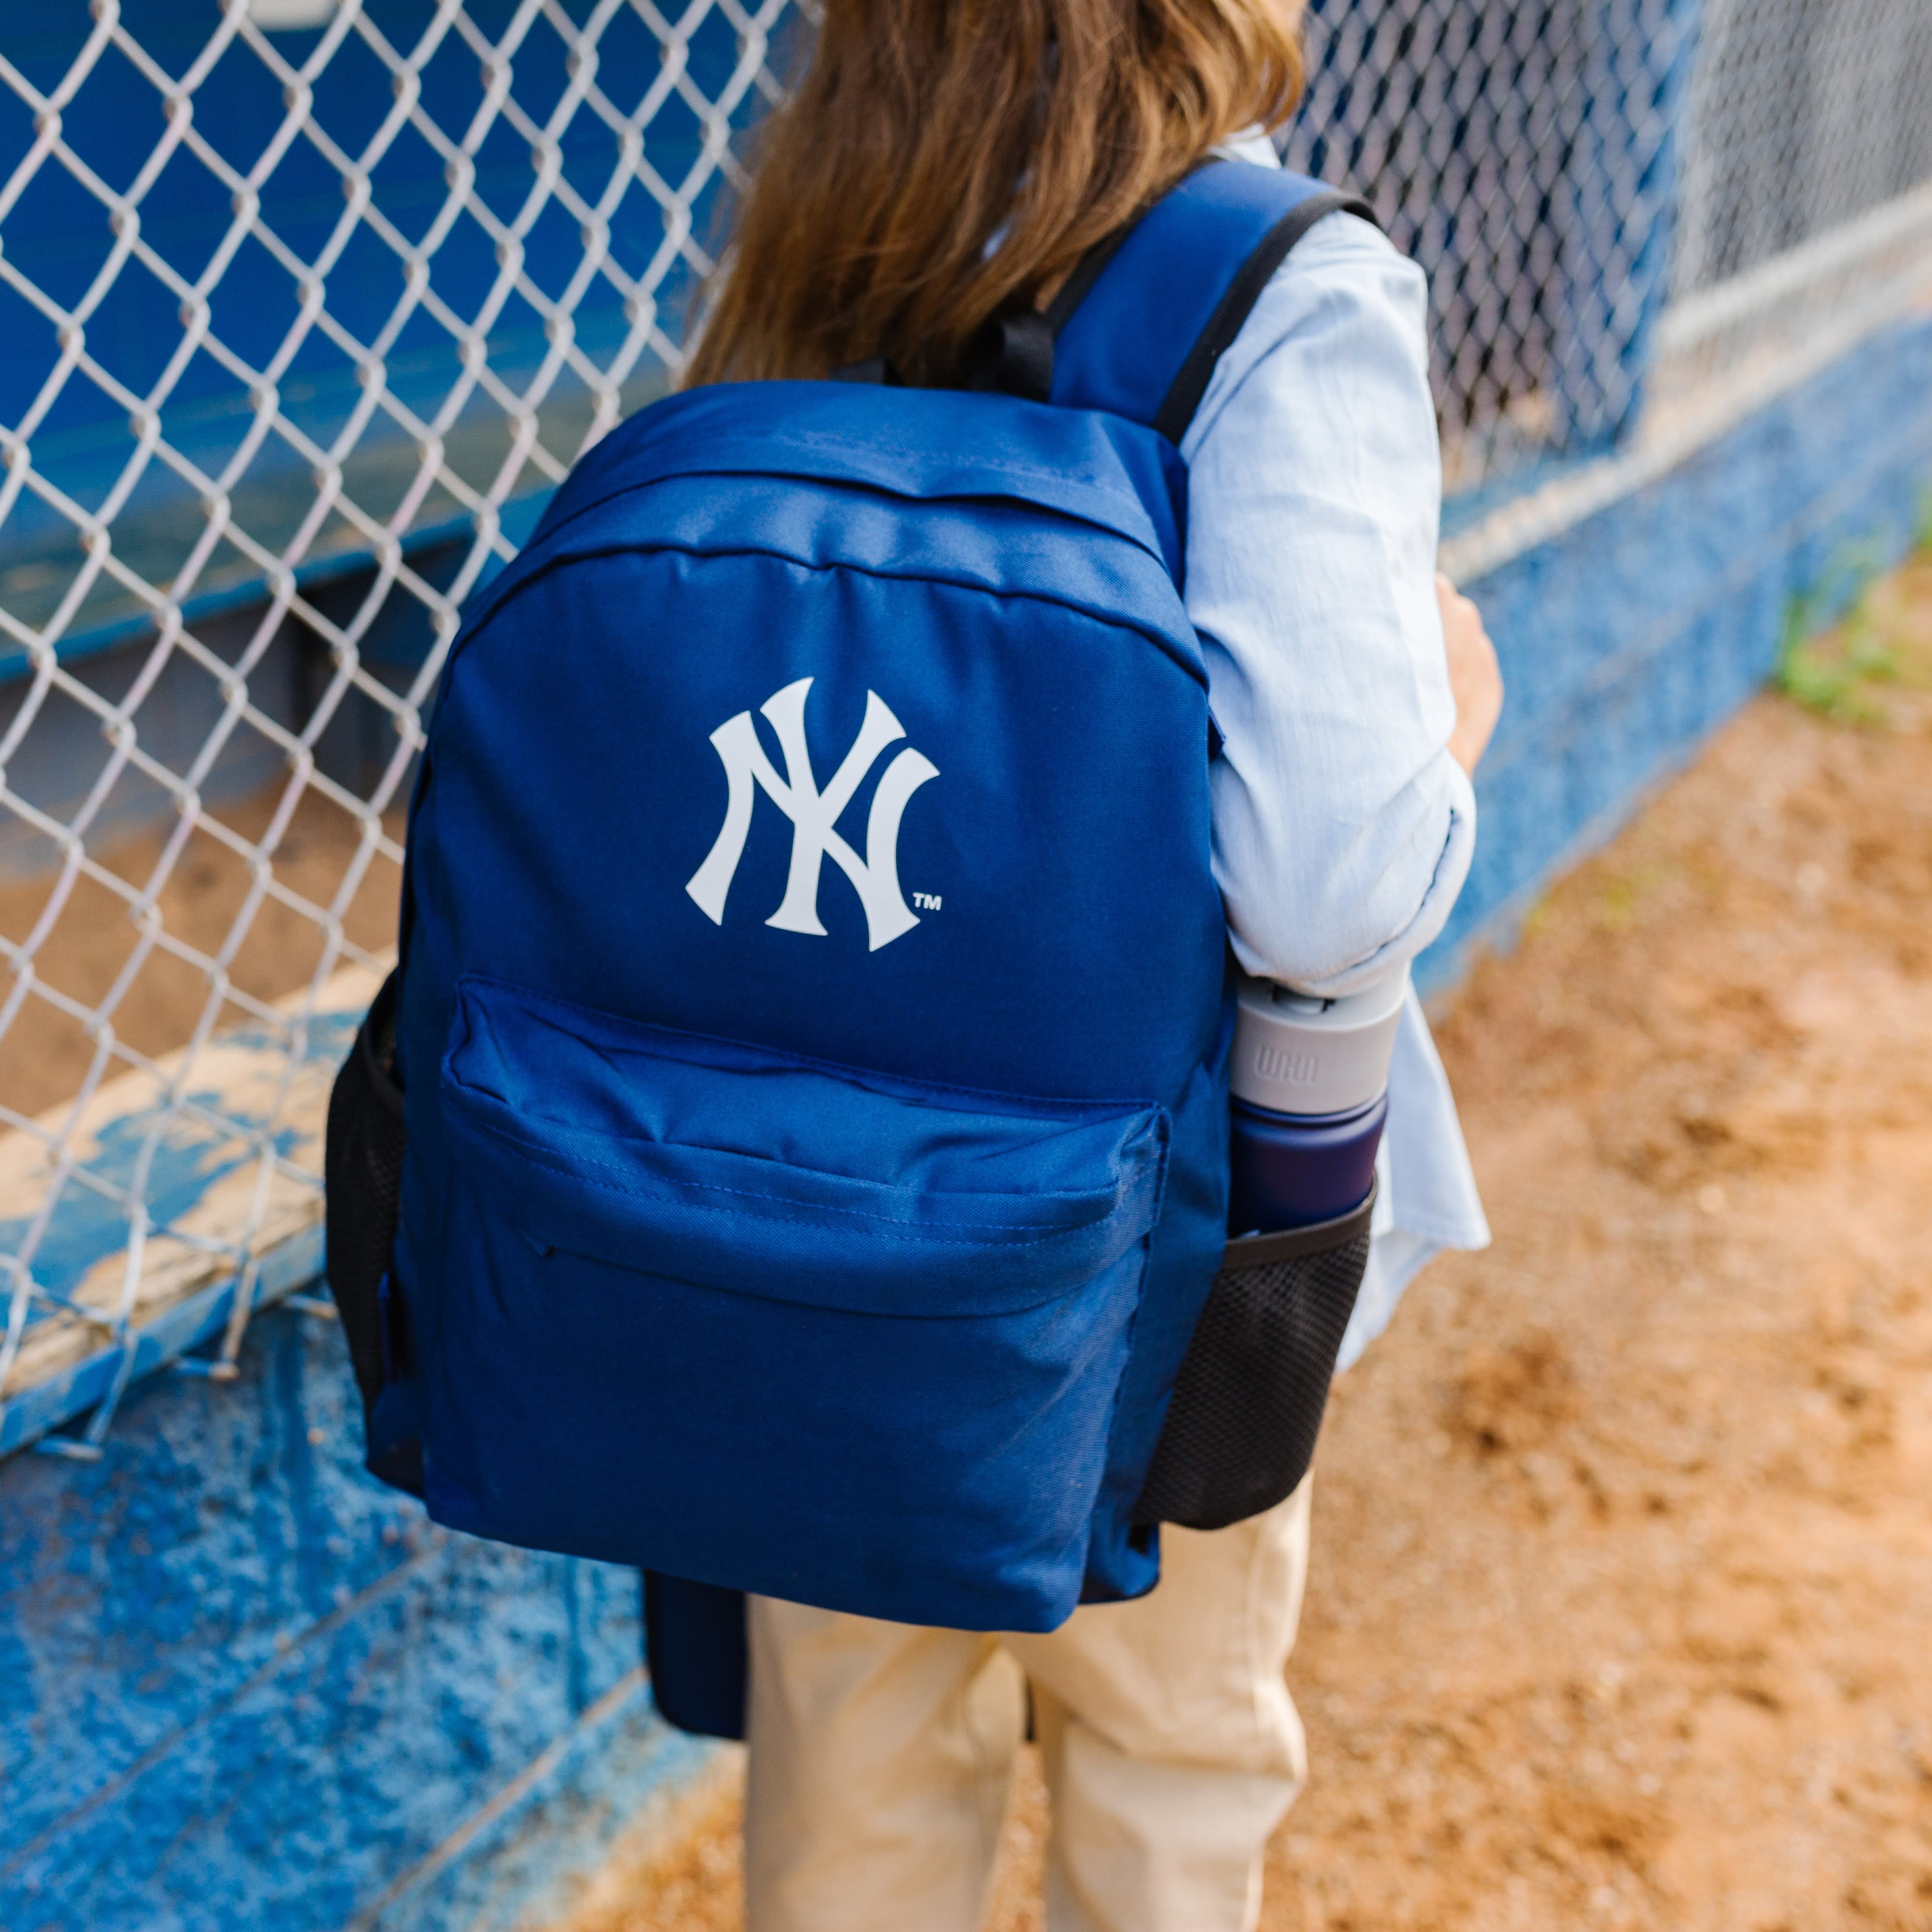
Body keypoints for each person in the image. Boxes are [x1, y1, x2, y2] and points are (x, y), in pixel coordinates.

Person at [685, 4, 1502, 1927]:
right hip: (1153, 1248)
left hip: (801, 1187)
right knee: (1165, 1757)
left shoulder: (828, 234)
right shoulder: (1282, 287)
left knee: (853, 1765)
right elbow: (1319, 884)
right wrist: (1449, 727)